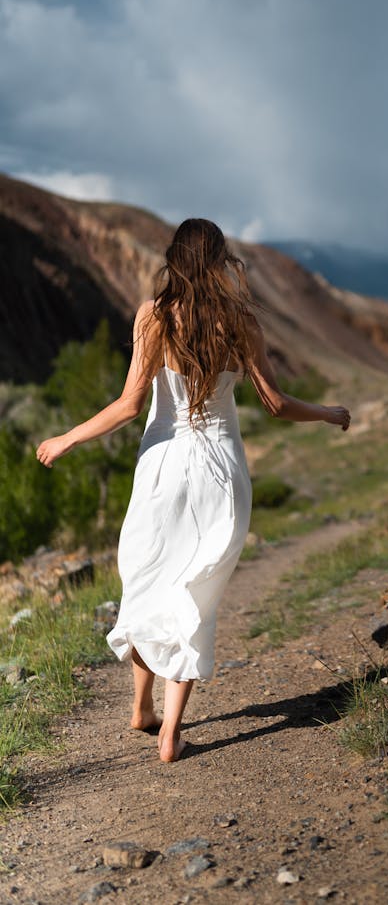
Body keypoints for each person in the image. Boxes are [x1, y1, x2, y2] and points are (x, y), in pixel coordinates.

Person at [36, 218, 350, 762]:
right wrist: (328, 414)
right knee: (194, 593)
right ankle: (169, 731)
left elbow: (131, 404)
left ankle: (140, 707)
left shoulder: (153, 317)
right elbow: (275, 404)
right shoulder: (241, 321)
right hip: (220, 472)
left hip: (162, 465)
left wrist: (68, 437)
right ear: (222, 261)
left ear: (174, 259)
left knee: (149, 584)